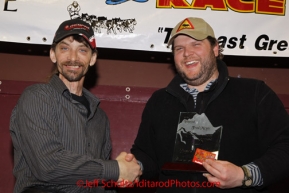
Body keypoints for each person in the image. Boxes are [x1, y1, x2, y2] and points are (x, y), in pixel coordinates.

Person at [130, 17, 289, 193]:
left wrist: (244, 175)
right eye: (179, 48)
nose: (187, 53)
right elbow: (147, 154)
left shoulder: (254, 93)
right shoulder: (159, 101)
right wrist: (135, 164)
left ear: (215, 49)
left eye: (196, 44)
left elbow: (285, 147)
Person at [9, 19, 141, 193]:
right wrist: (116, 169)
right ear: (52, 54)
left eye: (82, 50)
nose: (72, 57)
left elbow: (100, 183)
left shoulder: (99, 116)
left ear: (92, 58)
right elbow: (48, 165)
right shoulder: (37, 97)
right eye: (64, 48)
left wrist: (125, 173)